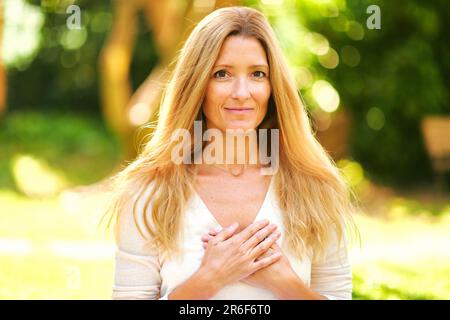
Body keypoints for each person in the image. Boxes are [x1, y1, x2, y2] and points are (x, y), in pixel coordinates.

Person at [108, 6, 357, 300]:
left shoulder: (316, 187)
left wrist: (285, 283)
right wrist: (209, 279)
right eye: (222, 73)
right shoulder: (149, 192)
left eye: (257, 74)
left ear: (273, 85)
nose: (241, 92)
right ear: (198, 84)